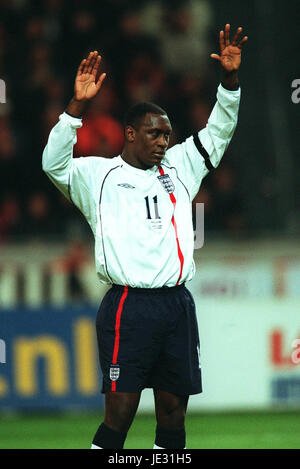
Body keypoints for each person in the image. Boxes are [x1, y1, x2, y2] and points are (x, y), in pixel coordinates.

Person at [42, 24, 247, 449]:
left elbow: (219, 132)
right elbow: (52, 163)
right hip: (128, 306)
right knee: (120, 412)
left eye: (167, 134)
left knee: (174, 410)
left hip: (176, 304)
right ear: (130, 134)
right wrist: (75, 108)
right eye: (154, 133)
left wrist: (229, 82)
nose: (163, 141)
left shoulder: (179, 167)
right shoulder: (98, 176)